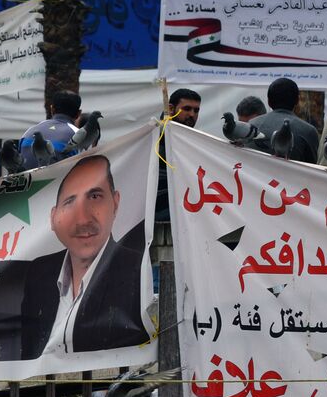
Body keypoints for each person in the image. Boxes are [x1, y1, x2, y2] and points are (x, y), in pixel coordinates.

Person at [20, 154, 148, 358]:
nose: (82, 218)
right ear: (53, 218)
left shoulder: (136, 269)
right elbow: (27, 349)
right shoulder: (39, 272)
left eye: (95, 196)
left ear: (115, 203)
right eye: (70, 202)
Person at [251, 77, 319, 164]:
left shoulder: (251, 125)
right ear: (297, 101)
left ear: (268, 101)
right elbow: (312, 169)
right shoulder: (308, 131)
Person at [156, 88, 201, 220]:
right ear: (170, 108)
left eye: (196, 110)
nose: (192, 114)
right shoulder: (157, 138)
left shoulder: (194, 141)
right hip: (162, 218)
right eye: (187, 109)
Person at [18, 90, 82, 170]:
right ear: (78, 114)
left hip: (25, 181)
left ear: (52, 109)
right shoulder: (79, 135)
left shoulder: (29, 132)